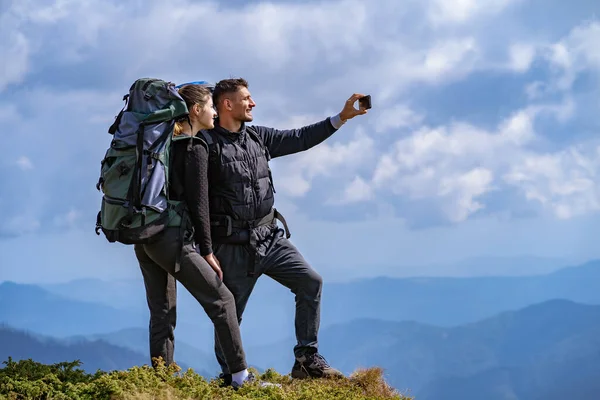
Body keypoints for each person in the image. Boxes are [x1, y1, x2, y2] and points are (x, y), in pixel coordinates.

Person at [201, 78, 368, 382]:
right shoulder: (206, 145)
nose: (253, 103)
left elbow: (300, 137)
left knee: (310, 282)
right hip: (231, 245)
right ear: (227, 104)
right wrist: (205, 248)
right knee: (229, 315)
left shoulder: (258, 137)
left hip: (270, 238)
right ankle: (231, 377)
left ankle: (307, 359)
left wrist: (341, 118)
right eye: (247, 98)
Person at [133, 83, 254, 389]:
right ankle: (240, 377)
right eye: (211, 106)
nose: (214, 111)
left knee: (161, 310)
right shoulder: (193, 147)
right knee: (223, 300)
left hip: (145, 237)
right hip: (172, 240)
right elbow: (199, 204)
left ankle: (160, 382)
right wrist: (207, 251)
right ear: (196, 111)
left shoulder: (161, 144)